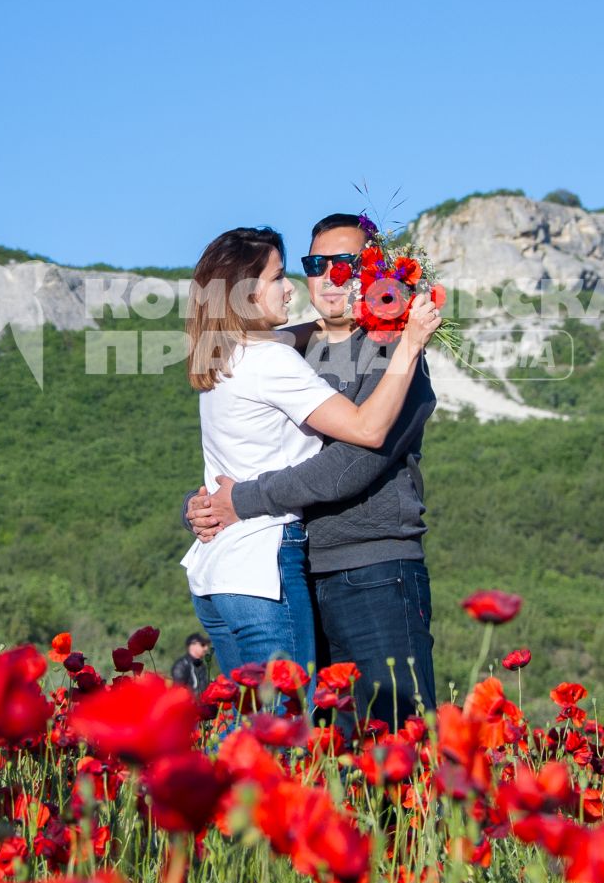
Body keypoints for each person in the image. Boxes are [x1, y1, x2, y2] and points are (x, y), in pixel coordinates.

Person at [188, 213, 441, 735]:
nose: (328, 276)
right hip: (297, 569)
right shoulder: (287, 350)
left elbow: (354, 458)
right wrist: (208, 503)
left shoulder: (393, 357)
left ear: (374, 272)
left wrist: (244, 500)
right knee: (317, 747)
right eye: (313, 264)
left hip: (373, 566)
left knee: (393, 739)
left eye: (346, 264)